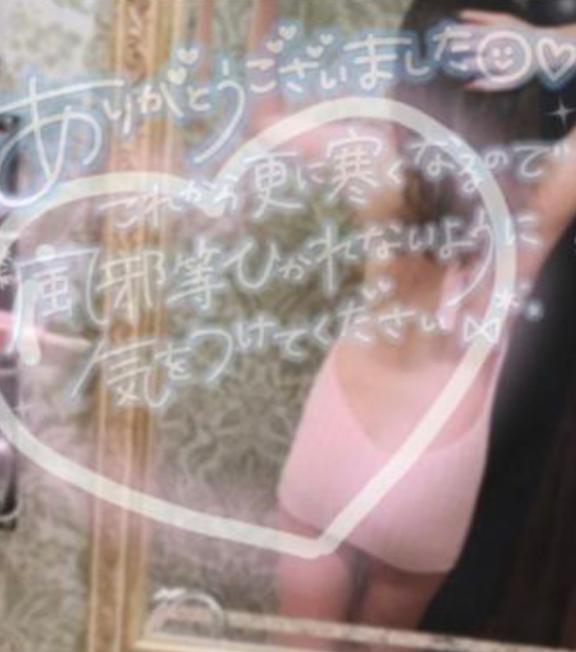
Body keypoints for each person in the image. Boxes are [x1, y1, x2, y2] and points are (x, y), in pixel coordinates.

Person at [271, 1, 576, 649]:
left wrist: (259, 12)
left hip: (341, 432)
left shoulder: (375, 165)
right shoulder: (544, 192)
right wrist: (548, 44)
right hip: (439, 470)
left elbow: (263, 117)